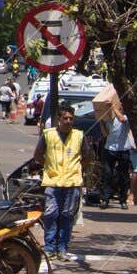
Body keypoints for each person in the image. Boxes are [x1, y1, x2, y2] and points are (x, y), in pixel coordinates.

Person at [34, 104, 85, 259]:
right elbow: (38, 155)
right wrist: (48, 166)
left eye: (71, 118)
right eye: (65, 118)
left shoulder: (79, 136)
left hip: (72, 183)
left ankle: (62, 248)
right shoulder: (48, 135)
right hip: (52, 182)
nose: (68, 121)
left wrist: (77, 169)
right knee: (50, 214)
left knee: (67, 216)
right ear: (58, 119)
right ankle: (50, 248)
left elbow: (88, 156)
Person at [101, 111, 134, 208]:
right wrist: (101, 121)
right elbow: (105, 134)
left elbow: (122, 120)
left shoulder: (125, 116)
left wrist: (114, 107)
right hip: (109, 148)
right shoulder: (108, 118)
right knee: (107, 174)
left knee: (123, 175)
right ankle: (105, 199)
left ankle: (123, 200)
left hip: (123, 148)